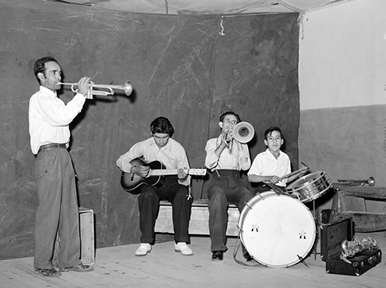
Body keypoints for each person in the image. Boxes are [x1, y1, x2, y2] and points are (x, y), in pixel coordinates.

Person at [29, 56, 94, 277]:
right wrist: (81, 96)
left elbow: (63, 115)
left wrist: (80, 97)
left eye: (59, 73)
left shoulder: (55, 100)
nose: (60, 76)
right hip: (49, 156)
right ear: (41, 76)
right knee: (49, 212)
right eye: (54, 73)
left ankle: (69, 260)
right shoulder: (40, 98)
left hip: (63, 155)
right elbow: (61, 118)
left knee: (69, 210)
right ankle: (43, 263)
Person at [116, 117, 194, 256]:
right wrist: (134, 170)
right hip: (151, 182)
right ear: (152, 134)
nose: (161, 141)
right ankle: (146, 242)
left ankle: (181, 241)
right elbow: (120, 160)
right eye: (157, 137)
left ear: (169, 134)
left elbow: (186, 177)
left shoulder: (177, 148)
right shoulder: (144, 145)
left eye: (165, 137)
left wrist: (183, 177)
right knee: (147, 195)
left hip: (173, 182)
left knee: (183, 194)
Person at [204, 111, 253, 261]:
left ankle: (250, 248)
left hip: (237, 180)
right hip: (218, 180)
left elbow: (245, 167)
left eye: (234, 122)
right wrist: (222, 145)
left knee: (248, 197)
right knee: (218, 197)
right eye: (228, 121)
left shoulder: (242, 142)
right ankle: (217, 248)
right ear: (221, 125)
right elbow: (208, 163)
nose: (231, 124)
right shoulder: (212, 142)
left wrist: (242, 146)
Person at [248, 126, 300, 192]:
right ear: (266, 142)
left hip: (281, 190)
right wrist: (268, 178)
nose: (274, 141)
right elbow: (251, 177)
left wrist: (300, 173)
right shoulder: (261, 157)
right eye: (271, 138)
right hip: (265, 189)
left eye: (277, 138)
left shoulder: (285, 158)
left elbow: (286, 180)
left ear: (282, 141)